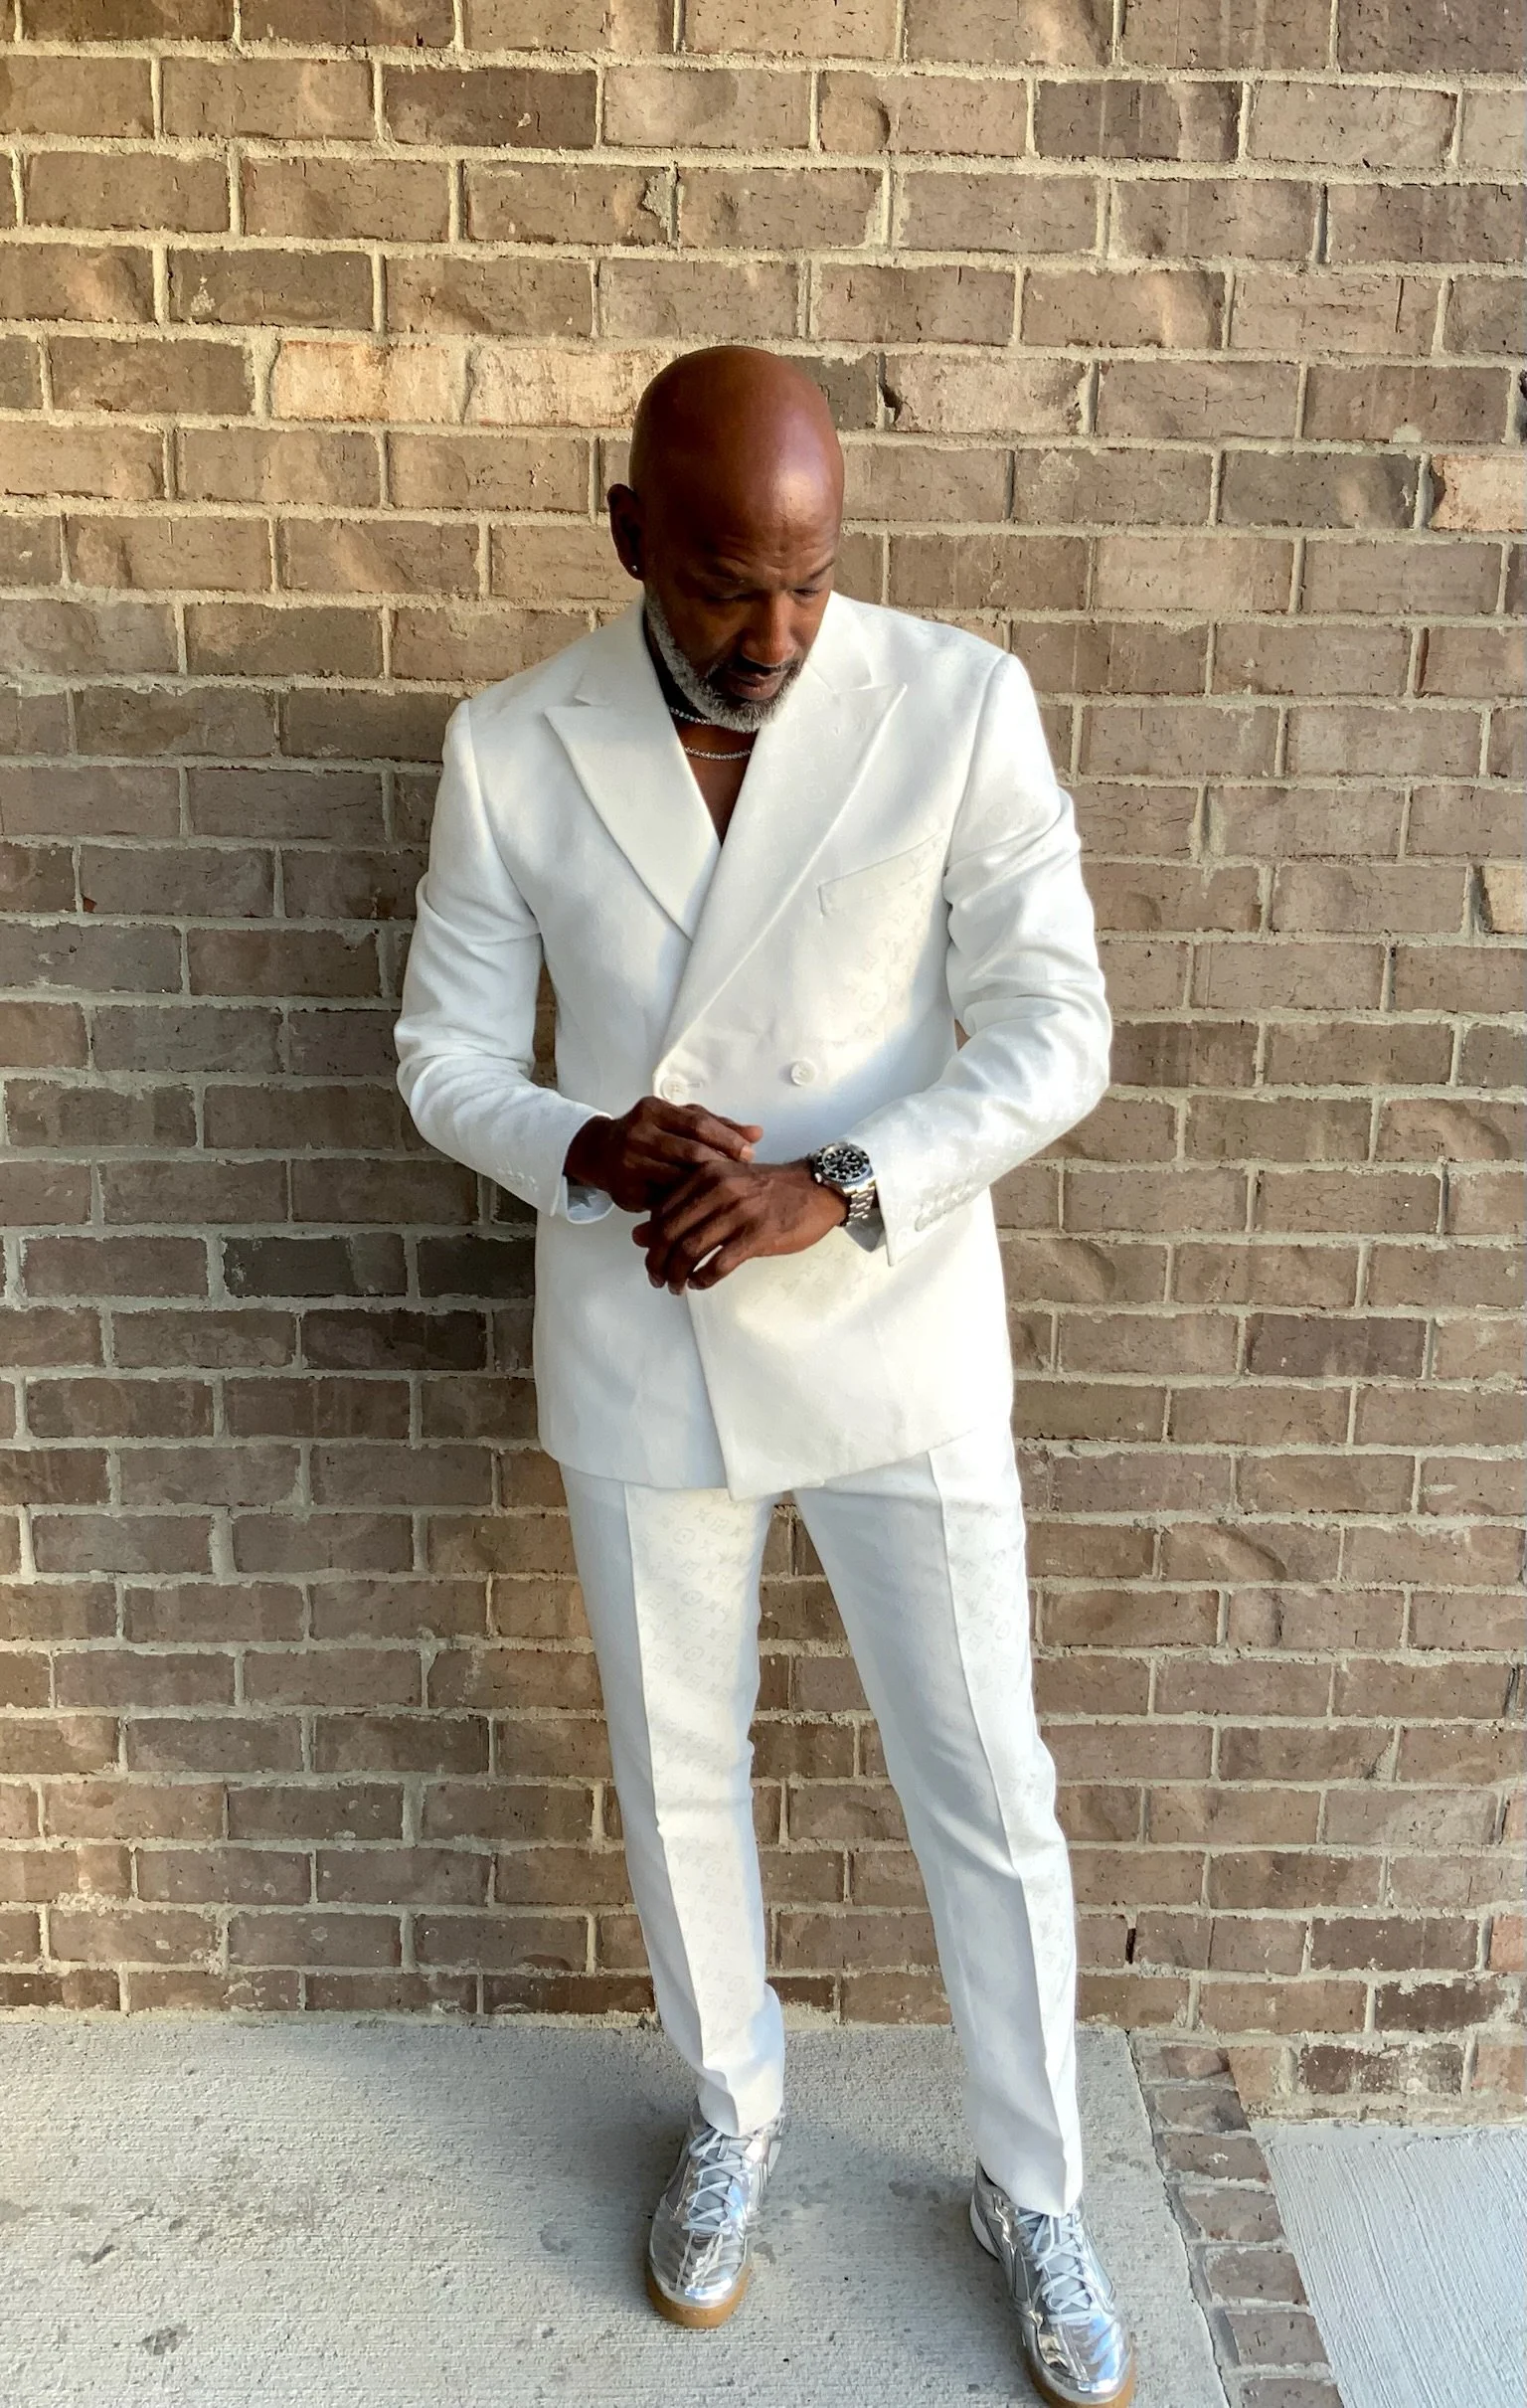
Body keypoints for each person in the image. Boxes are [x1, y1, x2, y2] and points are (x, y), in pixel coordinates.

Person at [394, 345, 1133, 2408]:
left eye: (811, 583)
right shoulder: (507, 747)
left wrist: (845, 1180)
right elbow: (443, 1052)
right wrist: (580, 1137)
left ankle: (1038, 2184)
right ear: (628, 529)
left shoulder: (957, 700)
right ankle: (733, 2106)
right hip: (645, 1330)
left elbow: (1056, 1027)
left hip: (894, 1327)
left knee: (987, 1783)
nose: (779, 636)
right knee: (677, 1767)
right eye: (729, 585)